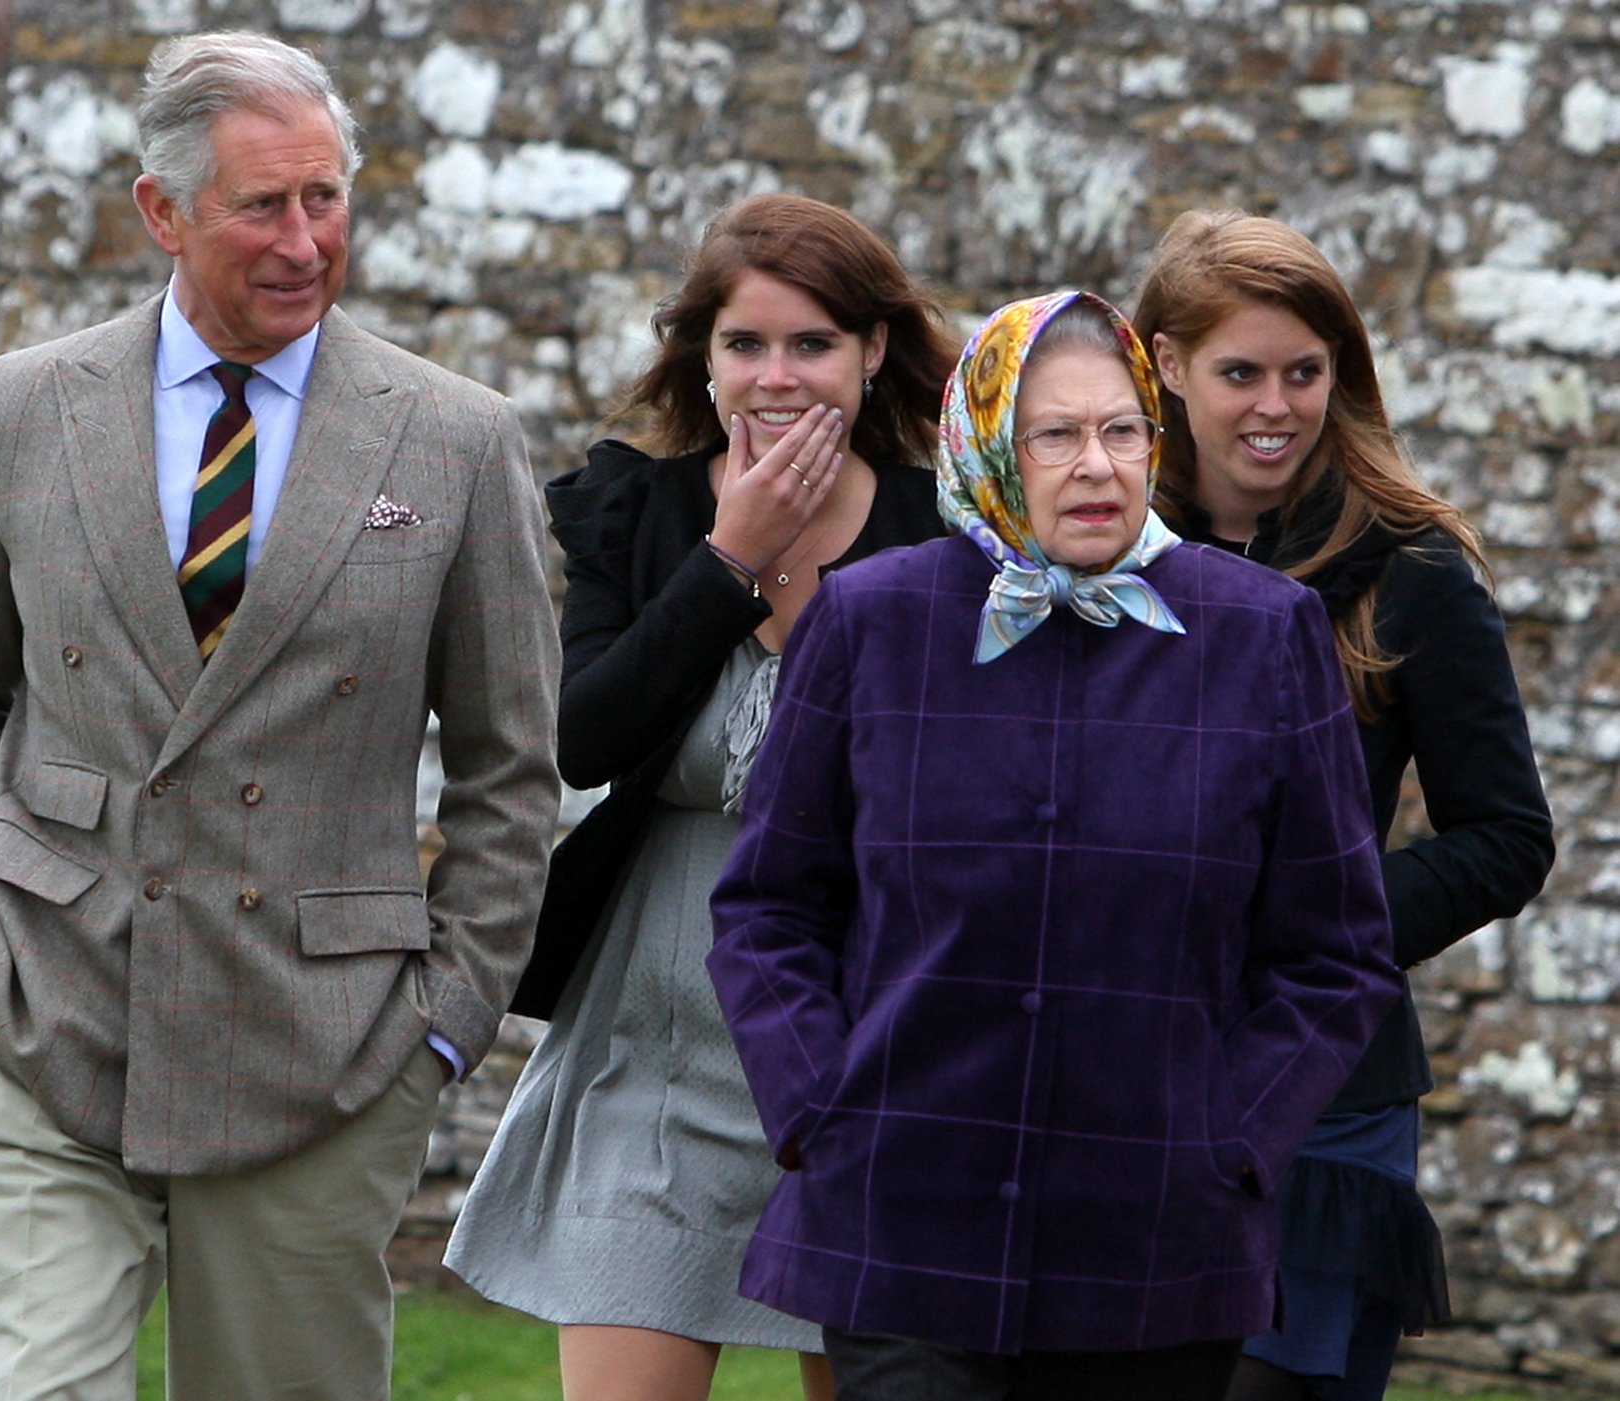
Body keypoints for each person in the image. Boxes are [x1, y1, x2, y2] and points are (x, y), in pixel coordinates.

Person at [0, 31, 561, 1401]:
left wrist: (446, 1019)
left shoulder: (455, 441)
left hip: (321, 1055)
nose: (306, 240)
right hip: (38, 1008)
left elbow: (510, 768)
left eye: (327, 198)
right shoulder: (17, 413)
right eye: (263, 204)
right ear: (162, 211)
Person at [706, 289, 1403, 1401]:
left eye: (1121, 430)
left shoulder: (1262, 634)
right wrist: (818, 1108)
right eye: (1056, 434)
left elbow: (1333, 950)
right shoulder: (871, 621)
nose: (1096, 464)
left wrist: (1230, 1142)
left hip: (1156, 1238)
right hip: (902, 1213)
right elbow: (768, 909)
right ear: (985, 441)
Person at [443, 193, 959, 1401]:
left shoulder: (941, 537)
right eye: (743, 344)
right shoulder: (636, 504)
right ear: (702, 356)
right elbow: (582, 738)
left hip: (868, 1039)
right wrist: (728, 559)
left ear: (874, 350)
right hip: (655, 1041)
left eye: (812, 343)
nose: (774, 377)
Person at [1131, 210, 1555, 1401]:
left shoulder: (1411, 569)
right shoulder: (1090, 553)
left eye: (1303, 372)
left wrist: (1310, 924)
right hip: (1118, 1076)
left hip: (1321, 1096)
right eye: (1239, 372)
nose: (1275, 404)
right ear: (1164, 365)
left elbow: (1504, 840)